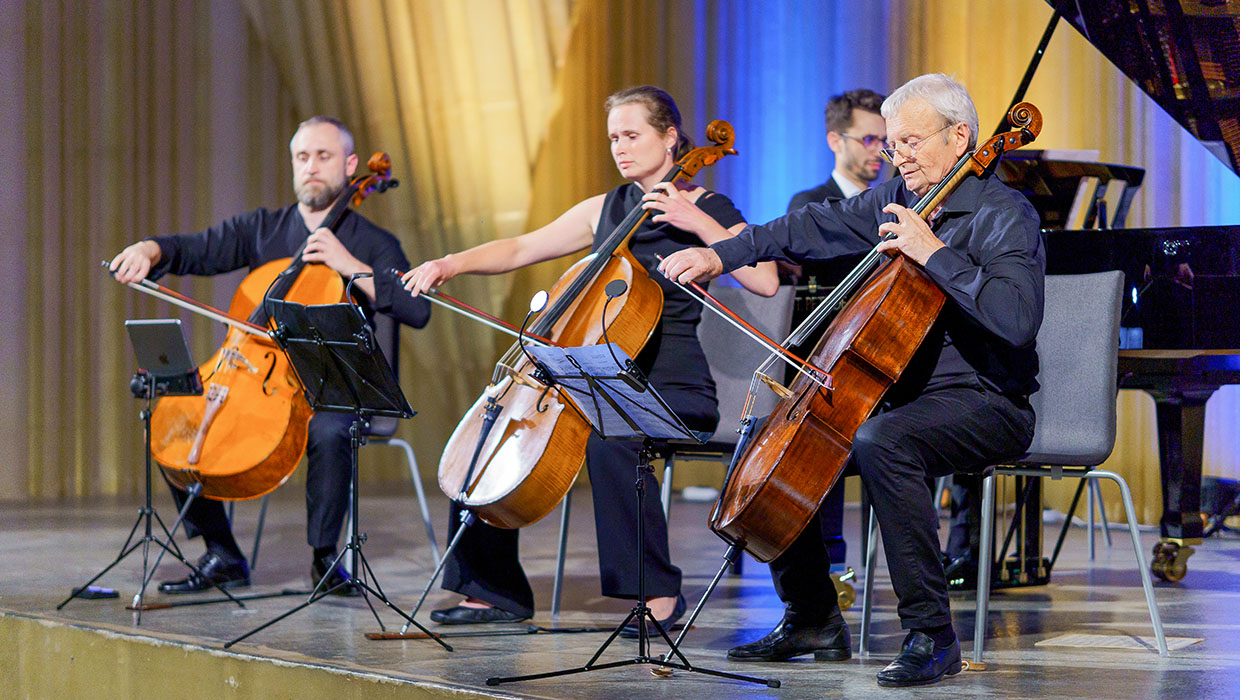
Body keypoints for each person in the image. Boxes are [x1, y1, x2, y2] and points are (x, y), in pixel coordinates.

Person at [658, 73, 1043, 687]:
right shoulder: (901, 200)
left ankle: (932, 634)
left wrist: (932, 254)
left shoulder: (1004, 215)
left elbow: (1016, 321)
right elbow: (808, 226)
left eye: (912, 142)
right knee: (780, 434)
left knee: (885, 440)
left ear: (961, 136)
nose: (899, 157)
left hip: (988, 400)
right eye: (893, 145)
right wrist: (720, 255)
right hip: (903, 397)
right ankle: (812, 615)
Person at [402, 85, 777, 634]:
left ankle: (655, 594)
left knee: (612, 442)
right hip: (595, 378)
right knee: (494, 429)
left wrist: (696, 223)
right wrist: (449, 263)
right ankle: (492, 589)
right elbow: (521, 248)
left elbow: (764, 280)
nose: (620, 148)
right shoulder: (609, 208)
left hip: (671, 386)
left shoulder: (710, 208)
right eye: (612, 139)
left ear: (671, 138)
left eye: (632, 135)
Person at [109, 116, 430, 596]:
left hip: (335, 387)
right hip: (255, 376)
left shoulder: (374, 244)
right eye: (302, 157)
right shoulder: (263, 229)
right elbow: (198, 250)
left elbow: (416, 308)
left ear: (350, 165)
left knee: (328, 427)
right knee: (174, 411)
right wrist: (150, 250)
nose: (311, 167)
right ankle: (221, 551)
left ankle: (325, 559)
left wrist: (352, 268)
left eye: (323, 156)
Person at [785, 88, 887, 575]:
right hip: (829, 355)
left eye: (885, 141)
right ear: (835, 140)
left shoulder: (902, 203)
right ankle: (828, 562)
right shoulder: (811, 204)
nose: (879, 152)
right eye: (868, 139)